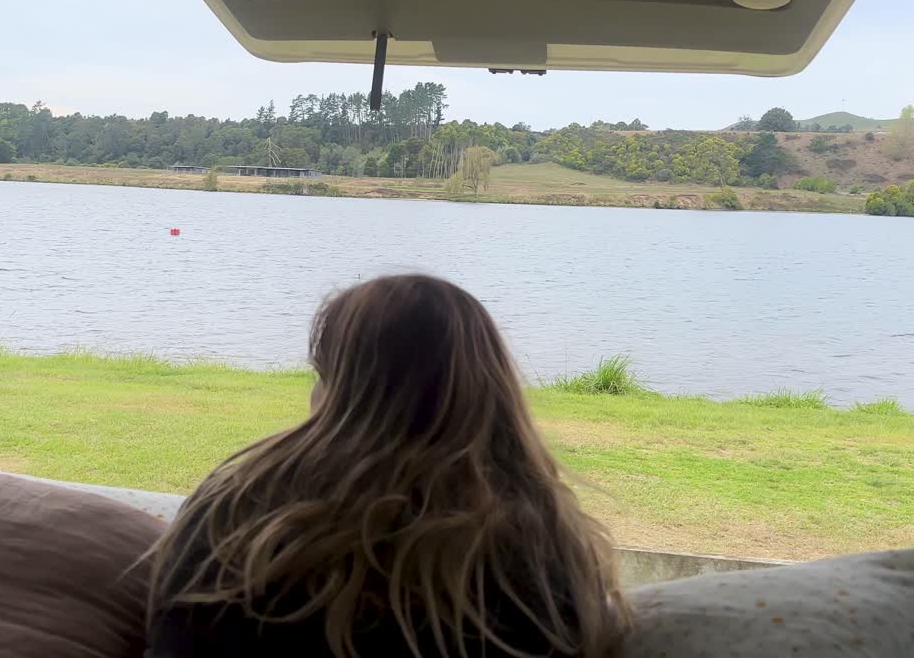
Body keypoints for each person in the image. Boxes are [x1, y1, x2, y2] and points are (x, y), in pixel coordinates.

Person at [146, 274, 630, 658]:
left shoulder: (240, 504)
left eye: (321, 375)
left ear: (337, 392)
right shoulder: (542, 550)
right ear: (493, 391)